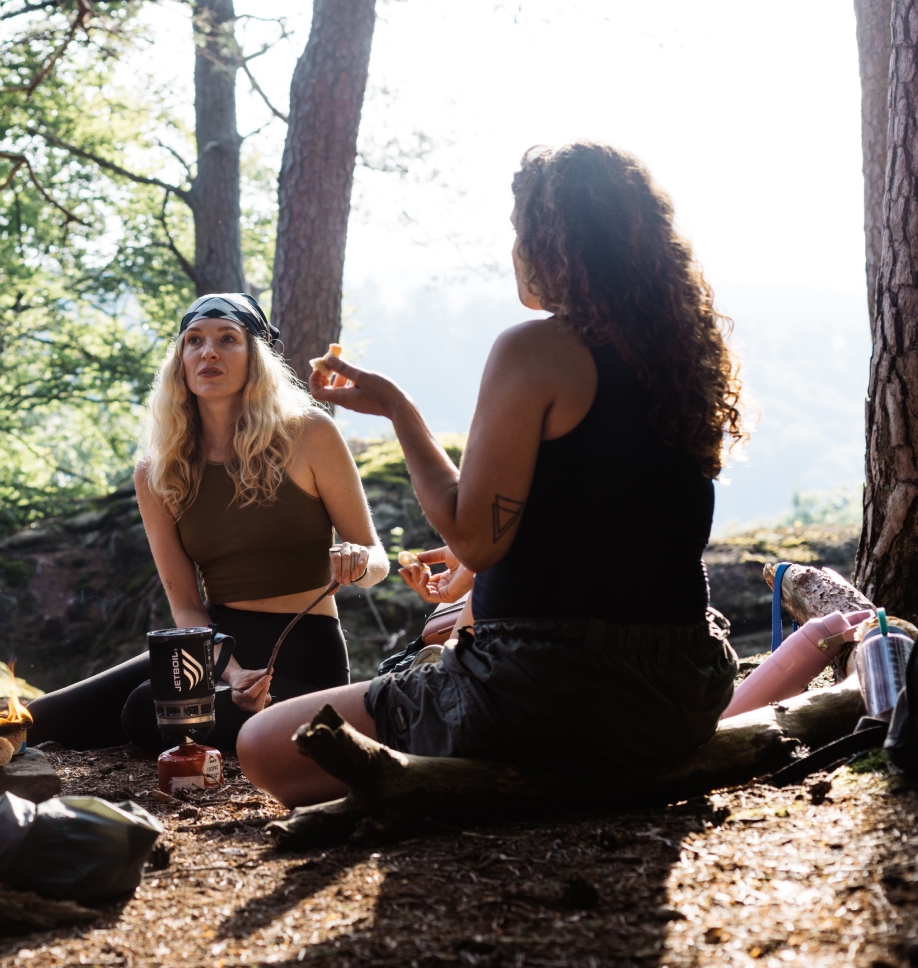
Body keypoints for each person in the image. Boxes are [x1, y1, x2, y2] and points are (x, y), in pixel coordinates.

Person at [237, 142, 746, 807]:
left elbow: (478, 540)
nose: (515, 251)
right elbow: (617, 511)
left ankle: (482, 778)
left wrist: (398, 410)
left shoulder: (535, 350)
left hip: (547, 690)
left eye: (520, 231)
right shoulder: (679, 359)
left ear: (556, 244)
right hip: (680, 689)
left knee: (263, 744)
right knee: (451, 632)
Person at [26, 294, 389, 753]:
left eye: (227, 339)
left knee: (146, 711)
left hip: (303, 658)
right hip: (211, 652)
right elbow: (186, 606)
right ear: (179, 360)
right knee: (36, 721)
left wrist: (359, 562)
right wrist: (232, 674)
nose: (208, 352)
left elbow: (376, 558)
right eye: (194, 341)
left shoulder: (309, 434)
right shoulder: (156, 470)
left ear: (256, 356)